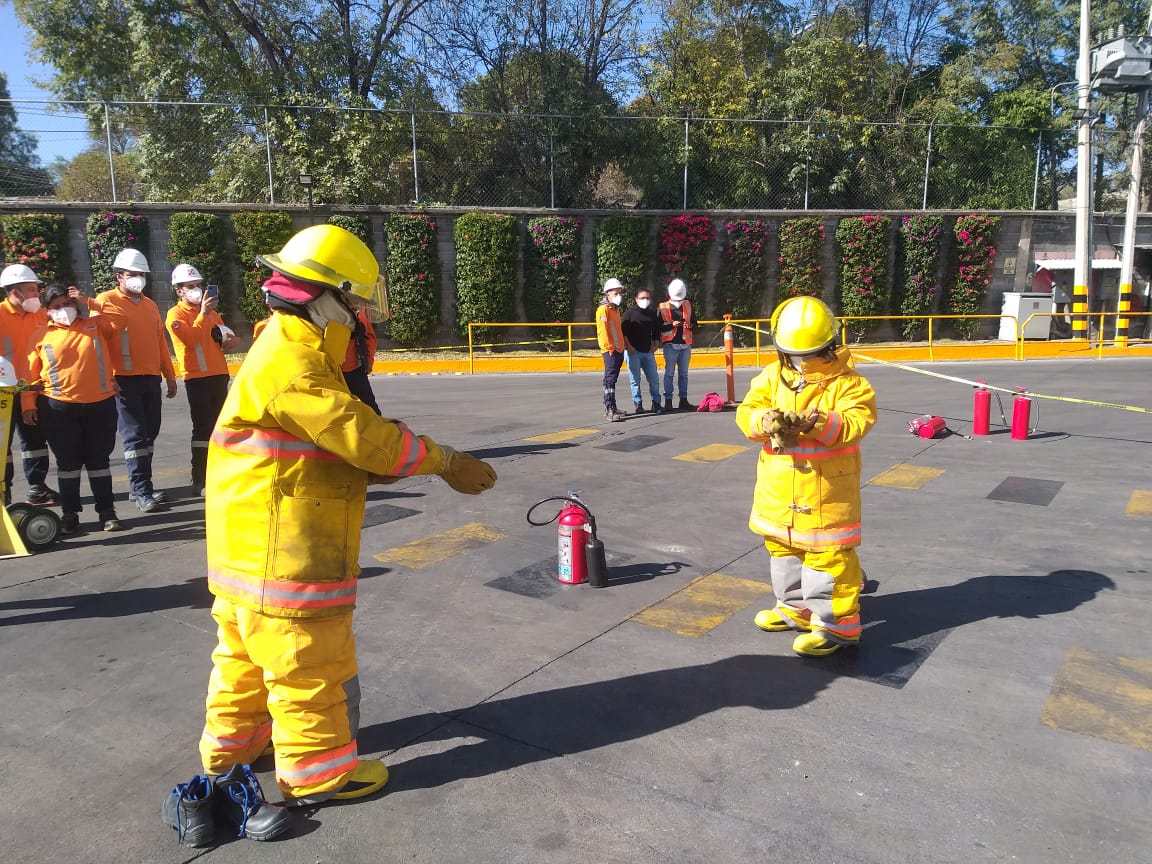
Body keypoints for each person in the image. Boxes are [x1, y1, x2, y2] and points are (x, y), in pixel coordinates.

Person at [174, 224, 496, 841]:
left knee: (243, 663)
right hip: (287, 555)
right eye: (355, 306)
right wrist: (444, 459)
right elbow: (363, 437)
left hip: (248, 555)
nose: (358, 319)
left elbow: (315, 447)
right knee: (309, 668)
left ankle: (230, 754)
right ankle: (318, 774)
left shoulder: (280, 349)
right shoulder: (295, 363)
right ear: (325, 298)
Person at [734, 296, 877, 657]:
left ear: (830, 346)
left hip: (826, 497)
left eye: (811, 355)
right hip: (779, 495)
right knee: (784, 554)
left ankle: (837, 625)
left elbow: (857, 422)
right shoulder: (772, 376)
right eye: (795, 355)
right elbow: (747, 411)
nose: (802, 363)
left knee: (828, 561)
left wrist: (821, 423)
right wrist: (763, 421)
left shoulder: (850, 384)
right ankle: (795, 608)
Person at [21, 284, 124, 533]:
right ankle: (70, 514)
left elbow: (121, 318)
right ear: (47, 311)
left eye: (66, 304)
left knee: (99, 461)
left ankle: (107, 512)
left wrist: (90, 301)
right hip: (58, 408)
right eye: (55, 307)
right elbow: (29, 375)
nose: (63, 310)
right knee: (68, 465)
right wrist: (27, 405)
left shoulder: (96, 326)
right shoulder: (41, 336)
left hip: (99, 404)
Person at [82, 248, 178, 512]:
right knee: (134, 436)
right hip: (123, 380)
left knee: (149, 434)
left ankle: (142, 487)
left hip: (149, 378)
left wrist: (169, 376)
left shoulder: (149, 305)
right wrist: (105, 378)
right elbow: (96, 344)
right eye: (132, 274)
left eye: (141, 274)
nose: (138, 278)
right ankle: (141, 490)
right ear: (119, 276)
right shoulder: (105, 300)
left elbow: (160, 343)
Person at [165, 264, 240, 494]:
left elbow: (226, 338)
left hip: (218, 375)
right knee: (202, 429)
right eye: (190, 286)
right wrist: (203, 315)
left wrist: (230, 341)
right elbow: (190, 340)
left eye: (197, 285)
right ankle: (199, 477)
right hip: (196, 378)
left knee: (220, 427)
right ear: (179, 291)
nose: (196, 290)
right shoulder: (175, 315)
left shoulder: (211, 313)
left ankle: (220, 474)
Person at [0, 263, 55, 506]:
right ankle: (4, 492)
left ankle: (37, 488)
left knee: (35, 442)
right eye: (31, 290)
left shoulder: (40, 315)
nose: (36, 295)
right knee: (3, 446)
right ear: (15, 292)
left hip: (33, 390)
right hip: (5, 392)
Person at [621, 287, 663, 415]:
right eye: (642, 298)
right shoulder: (629, 314)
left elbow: (657, 331)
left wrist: (656, 345)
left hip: (648, 352)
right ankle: (638, 404)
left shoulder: (652, 314)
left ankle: (656, 403)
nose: (645, 300)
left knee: (654, 379)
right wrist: (629, 347)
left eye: (647, 298)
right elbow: (623, 332)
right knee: (635, 379)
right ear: (636, 299)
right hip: (633, 352)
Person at [659, 278, 697, 411]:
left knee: (683, 374)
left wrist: (690, 325)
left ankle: (683, 400)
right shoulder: (662, 307)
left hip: (685, 344)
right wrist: (671, 325)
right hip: (670, 345)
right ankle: (668, 401)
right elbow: (658, 327)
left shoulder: (687, 304)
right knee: (669, 373)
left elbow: (695, 323)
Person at [340, 300, 381, 414]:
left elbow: (370, 339)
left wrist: (368, 362)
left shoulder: (360, 311)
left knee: (372, 413)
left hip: (355, 370)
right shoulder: (331, 309)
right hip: (334, 371)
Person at [596, 278, 626, 422]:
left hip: (618, 349)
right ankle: (609, 409)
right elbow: (603, 332)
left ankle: (613, 407)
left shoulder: (615, 310)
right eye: (615, 293)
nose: (618, 295)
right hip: (611, 351)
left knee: (612, 380)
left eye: (620, 293)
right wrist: (609, 349)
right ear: (607, 294)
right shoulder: (603, 310)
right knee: (609, 381)